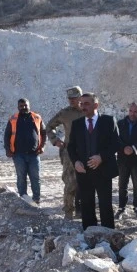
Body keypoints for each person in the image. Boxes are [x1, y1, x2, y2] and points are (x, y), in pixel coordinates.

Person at [67, 92, 121, 230]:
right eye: (81, 103)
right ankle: (89, 235)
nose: (83, 107)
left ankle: (108, 235)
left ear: (96, 105)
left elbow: (116, 143)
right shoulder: (77, 124)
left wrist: (101, 157)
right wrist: (76, 162)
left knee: (105, 205)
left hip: (104, 171)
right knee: (86, 205)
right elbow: (71, 147)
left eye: (86, 103)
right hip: (84, 172)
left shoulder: (108, 121)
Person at [46, 86, 85, 219]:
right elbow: (49, 126)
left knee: (86, 183)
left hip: (87, 151)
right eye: (69, 98)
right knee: (70, 182)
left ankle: (83, 210)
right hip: (69, 152)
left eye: (74, 98)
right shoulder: (65, 113)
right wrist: (55, 140)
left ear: (80, 97)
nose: (71, 101)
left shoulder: (89, 111)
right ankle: (68, 211)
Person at [4, 99, 46, 205]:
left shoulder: (37, 118)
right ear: (18, 107)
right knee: (21, 178)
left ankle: (36, 199)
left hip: (34, 154)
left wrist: (42, 146)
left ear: (29, 106)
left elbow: (44, 133)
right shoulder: (13, 119)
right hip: (18, 154)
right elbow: (7, 136)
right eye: (21, 106)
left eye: (25, 105)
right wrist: (8, 150)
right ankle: (23, 199)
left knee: (35, 178)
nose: (23, 107)